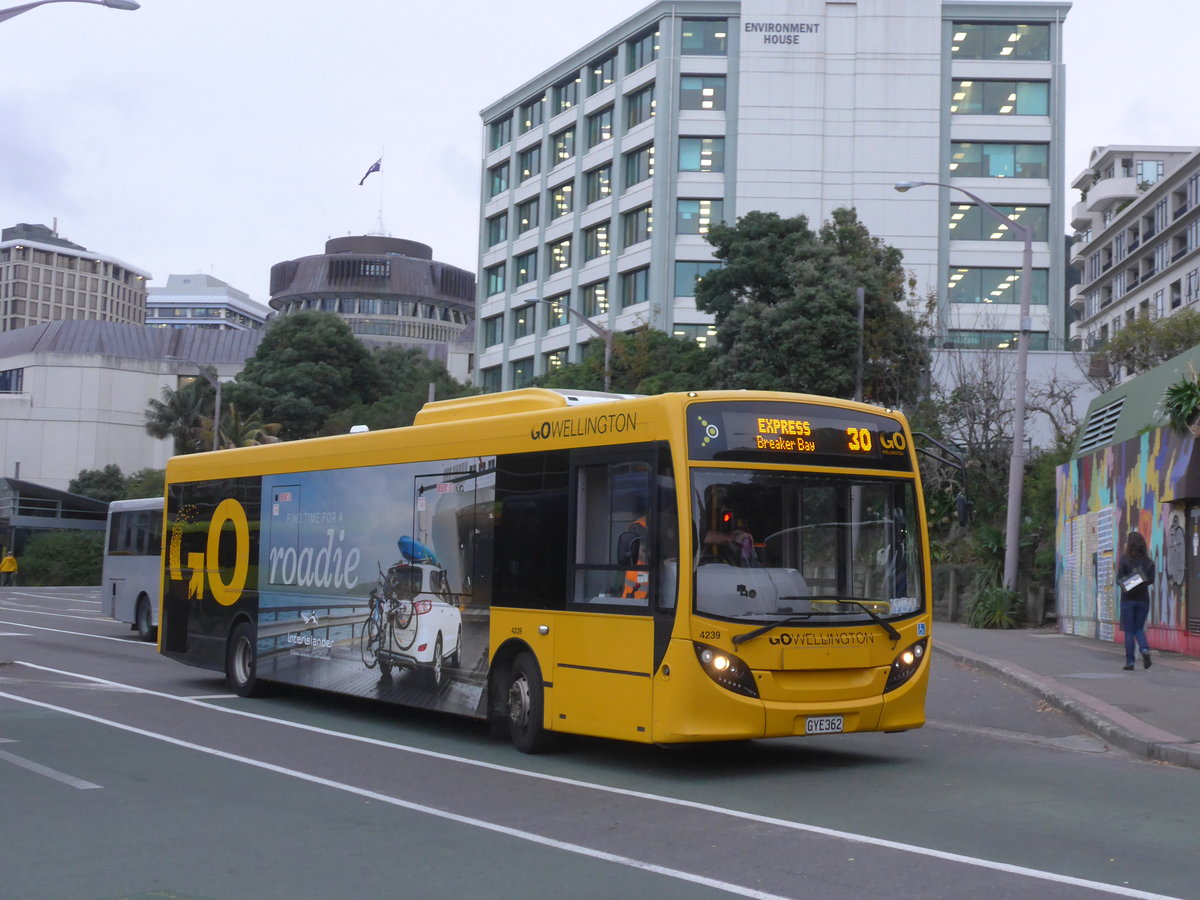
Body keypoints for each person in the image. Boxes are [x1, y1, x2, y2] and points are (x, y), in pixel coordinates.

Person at [1117, 531, 1154, 671]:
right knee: (1138, 628)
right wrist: (1140, 580)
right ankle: (1144, 650)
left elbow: (1119, 579)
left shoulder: (1125, 559)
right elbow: (1151, 580)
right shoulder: (1149, 562)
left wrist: (1129, 583)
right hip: (1143, 599)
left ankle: (1130, 662)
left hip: (1127, 599)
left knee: (1129, 631)